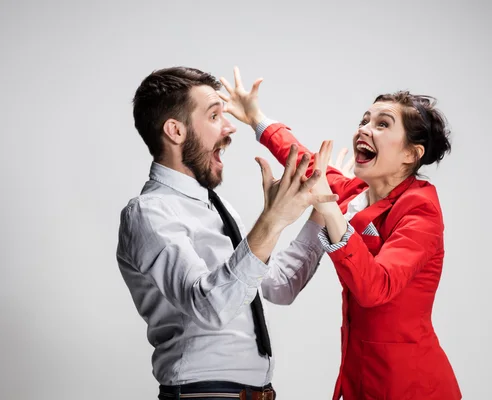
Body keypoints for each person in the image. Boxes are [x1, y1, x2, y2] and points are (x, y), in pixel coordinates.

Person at [220, 67, 462, 400]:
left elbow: (374, 288)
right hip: (360, 376)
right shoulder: (357, 191)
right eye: (365, 120)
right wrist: (256, 118)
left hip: (411, 386)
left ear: (410, 154)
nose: (365, 129)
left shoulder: (421, 209)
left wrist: (330, 210)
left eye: (382, 124)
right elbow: (304, 159)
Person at [116, 66, 338, 400]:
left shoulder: (216, 207)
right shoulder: (150, 213)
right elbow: (210, 307)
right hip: (203, 394)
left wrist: (323, 209)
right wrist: (272, 220)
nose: (231, 126)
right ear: (176, 131)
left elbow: (278, 286)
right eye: (215, 115)